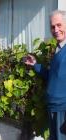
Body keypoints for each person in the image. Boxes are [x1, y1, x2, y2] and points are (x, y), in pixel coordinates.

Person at [25, 10, 66, 140]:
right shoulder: (59, 49)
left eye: (59, 25)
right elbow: (53, 76)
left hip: (63, 110)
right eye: (53, 27)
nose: (56, 29)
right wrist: (36, 65)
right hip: (53, 106)